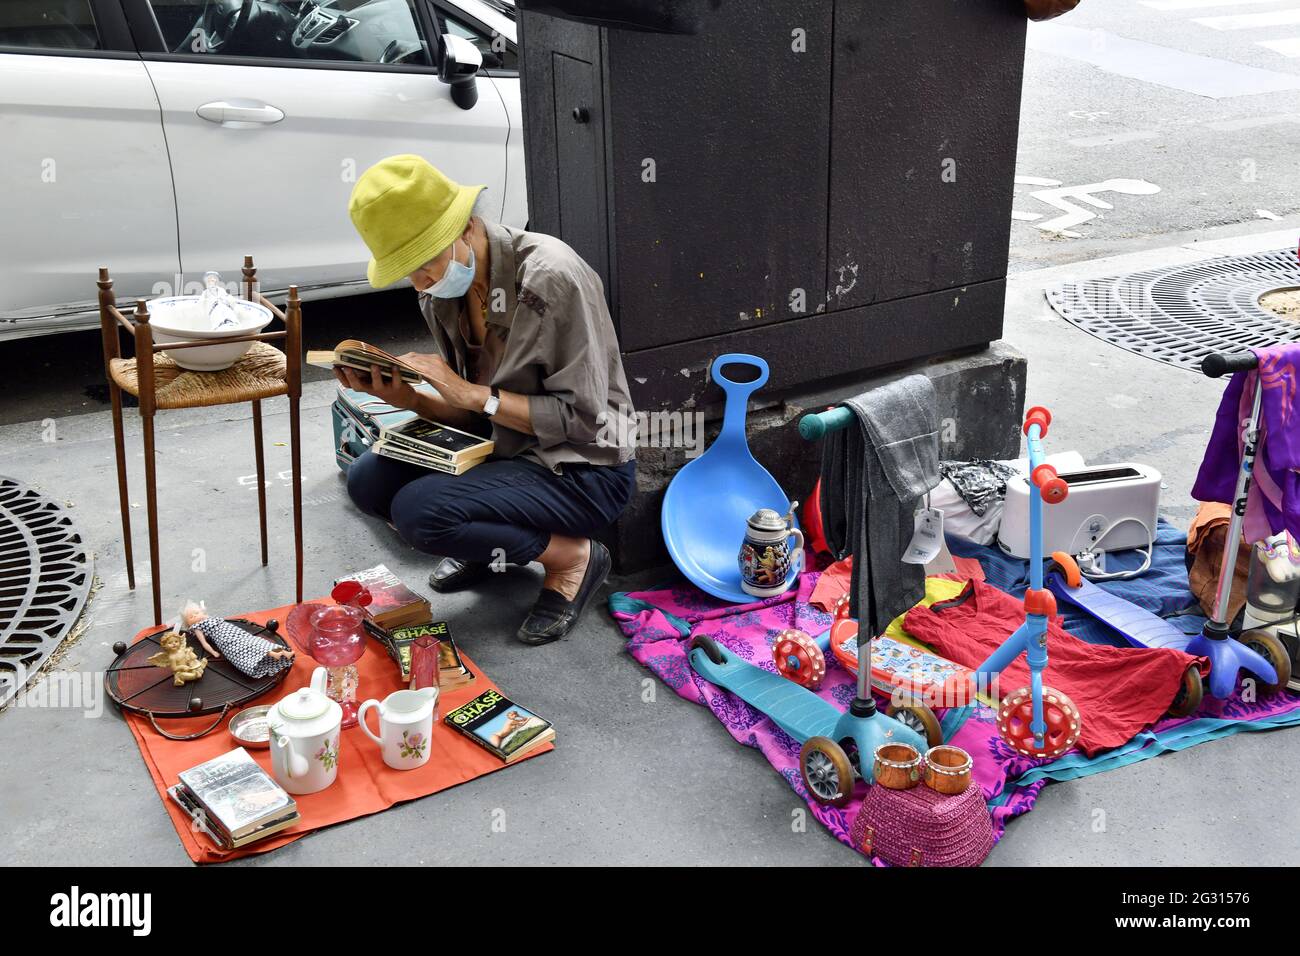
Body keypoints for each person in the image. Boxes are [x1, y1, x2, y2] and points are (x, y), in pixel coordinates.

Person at [342, 155, 637, 645]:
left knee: (422, 513)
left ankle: (573, 558)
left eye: (424, 263)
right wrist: (410, 398)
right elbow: (473, 413)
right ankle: (491, 547)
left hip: (583, 469)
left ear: (466, 227)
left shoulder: (551, 276)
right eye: (406, 271)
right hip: (503, 447)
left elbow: (585, 421)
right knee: (367, 480)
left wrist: (475, 395)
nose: (419, 282)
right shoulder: (441, 289)